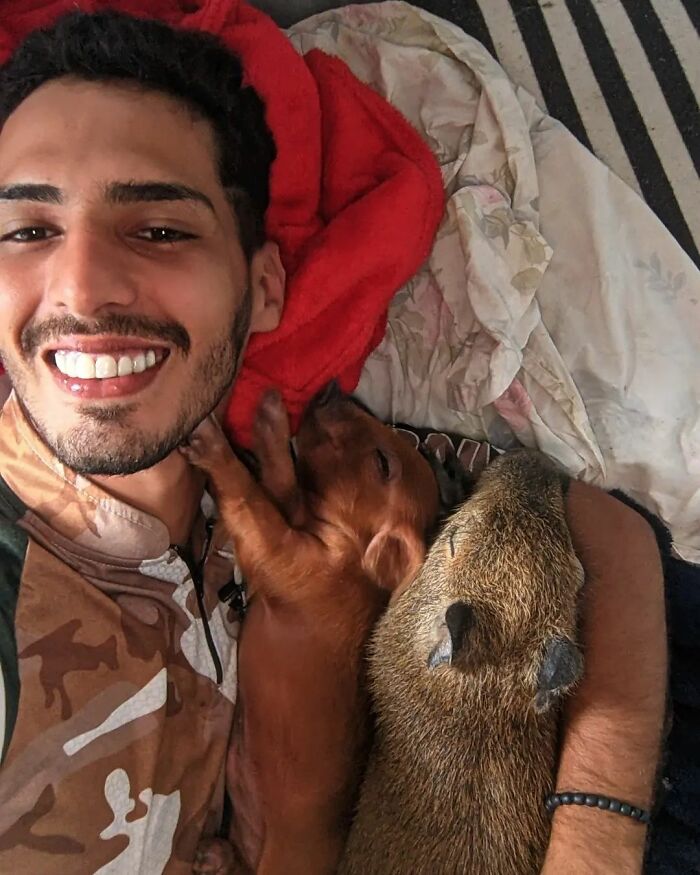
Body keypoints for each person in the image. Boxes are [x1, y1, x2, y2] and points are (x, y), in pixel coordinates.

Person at [0, 8, 666, 874]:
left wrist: (598, 832)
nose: (81, 285)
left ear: (266, 289)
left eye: (161, 228)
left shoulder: (310, 476)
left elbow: (601, 529)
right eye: (25, 231)